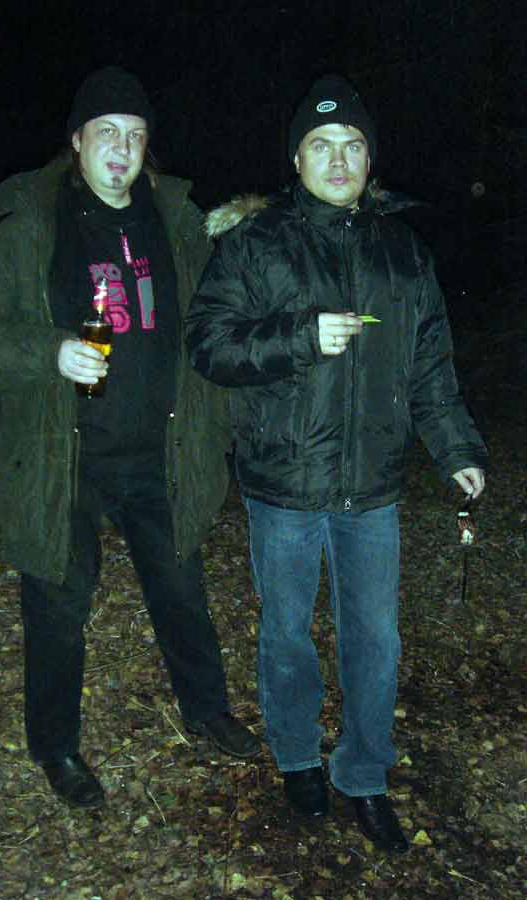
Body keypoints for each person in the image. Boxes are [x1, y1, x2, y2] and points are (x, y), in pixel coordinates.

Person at [0, 66, 260, 809]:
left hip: (159, 452)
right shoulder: (28, 232)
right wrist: (48, 352)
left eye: (136, 136)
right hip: (65, 456)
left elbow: (216, 328)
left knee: (181, 588)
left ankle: (205, 708)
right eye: (106, 132)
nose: (121, 148)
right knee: (57, 604)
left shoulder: (180, 229)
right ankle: (56, 746)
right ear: (78, 141)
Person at [185, 74, 486, 852]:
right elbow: (208, 345)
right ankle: (296, 757)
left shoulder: (404, 252)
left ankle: (363, 774)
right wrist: (297, 337)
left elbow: (431, 369)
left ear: (370, 159)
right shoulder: (254, 243)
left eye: (353, 145)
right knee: (286, 634)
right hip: (283, 485)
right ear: (297, 158)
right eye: (322, 145)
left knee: (375, 641)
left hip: (373, 489)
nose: (339, 159)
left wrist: (456, 449)